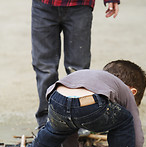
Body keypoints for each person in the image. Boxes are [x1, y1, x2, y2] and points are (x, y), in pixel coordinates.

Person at [13, 60, 146, 147]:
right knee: (125, 119)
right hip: (90, 103)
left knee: (55, 129)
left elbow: (70, 127)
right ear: (132, 91)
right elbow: (137, 132)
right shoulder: (125, 90)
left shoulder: (93, 78)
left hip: (57, 96)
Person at [32, 0, 120, 129]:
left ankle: (78, 119)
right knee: (45, 68)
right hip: (43, 5)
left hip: (80, 6)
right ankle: (48, 120)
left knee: (78, 69)